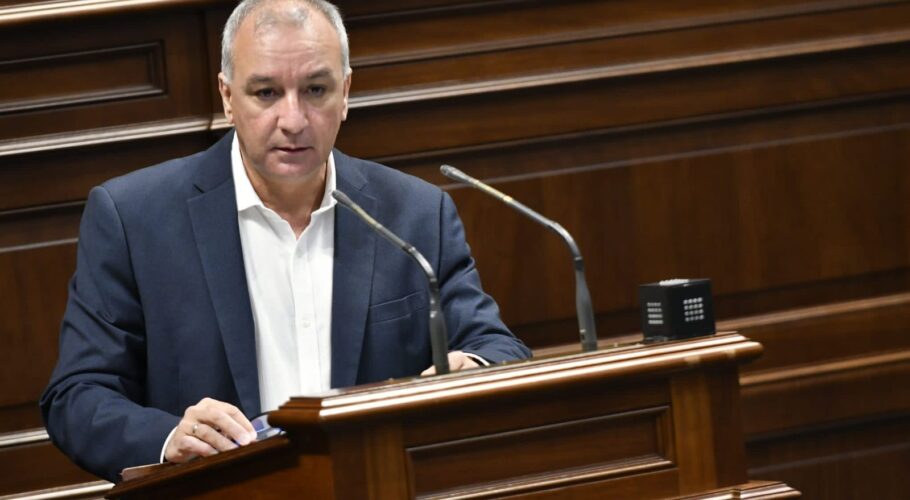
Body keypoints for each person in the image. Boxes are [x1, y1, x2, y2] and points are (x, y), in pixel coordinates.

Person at [40, 0, 530, 483]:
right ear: (228, 97)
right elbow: (77, 396)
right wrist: (170, 438)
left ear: (345, 93)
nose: (293, 120)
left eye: (315, 89)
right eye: (267, 92)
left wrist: (472, 368)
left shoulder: (415, 213)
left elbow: (496, 346)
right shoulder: (134, 218)